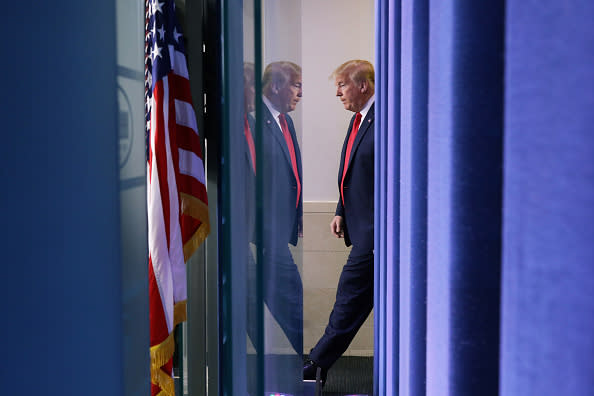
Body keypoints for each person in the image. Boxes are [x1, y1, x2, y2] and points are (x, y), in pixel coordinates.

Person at [304, 60, 375, 385]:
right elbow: (353, 170)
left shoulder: (385, 119)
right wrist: (340, 211)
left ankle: (316, 365)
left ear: (363, 85)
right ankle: (317, 365)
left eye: (342, 85)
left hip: (375, 237)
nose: (337, 93)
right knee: (351, 301)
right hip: (361, 228)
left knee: (349, 300)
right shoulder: (360, 119)